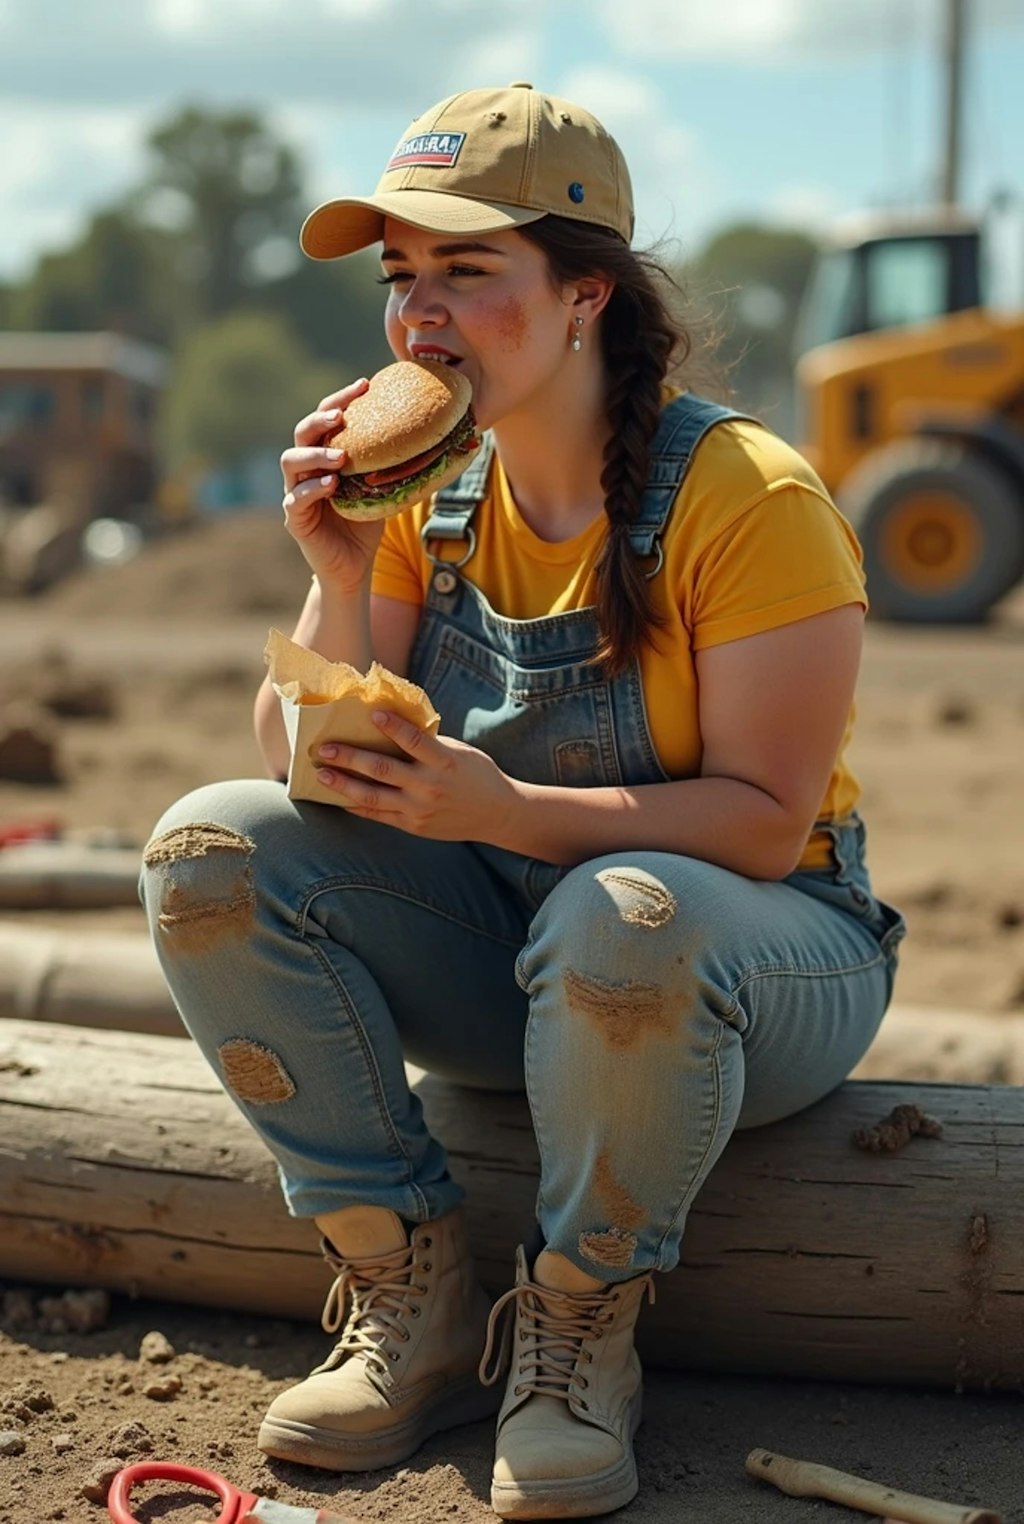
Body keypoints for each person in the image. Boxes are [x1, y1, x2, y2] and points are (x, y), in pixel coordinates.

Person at [140, 82, 906, 1521]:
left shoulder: (751, 496)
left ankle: (577, 1330)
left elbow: (754, 819)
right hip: (517, 955)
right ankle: (409, 1297)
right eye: (401, 278)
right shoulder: (425, 483)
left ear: (584, 297)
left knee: (625, 916)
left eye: (467, 272)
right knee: (209, 849)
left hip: (755, 960)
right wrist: (335, 569)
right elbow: (309, 760)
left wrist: (499, 810)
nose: (419, 316)